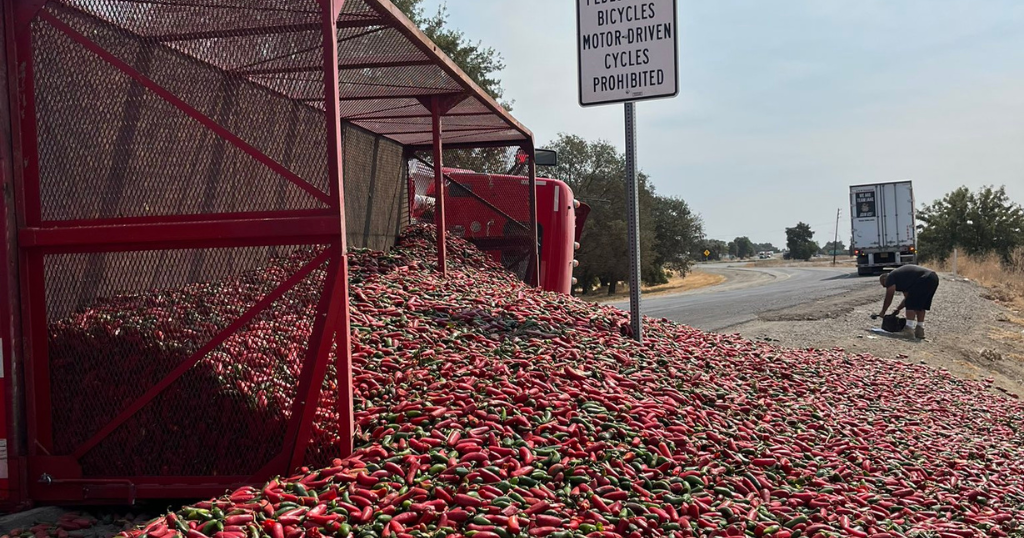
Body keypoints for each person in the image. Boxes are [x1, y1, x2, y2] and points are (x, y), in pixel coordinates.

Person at [876, 264, 940, 339]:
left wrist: (883, 311)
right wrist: (898, 309)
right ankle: (920, 330)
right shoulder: (903, 280)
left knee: (911, 305)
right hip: (933, 278)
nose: (885, 287)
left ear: (884, 279)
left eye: (885, 285)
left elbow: (889, 296)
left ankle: (908, 330)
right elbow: (907, 298)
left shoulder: (890, 277)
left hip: (924, 278)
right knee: (921, 305)